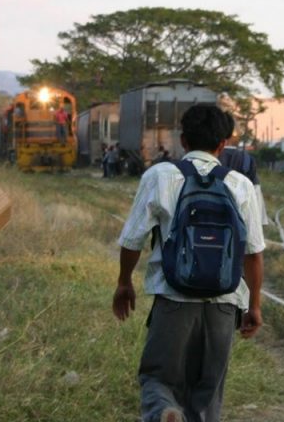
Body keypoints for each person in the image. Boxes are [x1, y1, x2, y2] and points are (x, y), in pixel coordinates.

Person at [113, 105, 265, 422]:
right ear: (223, 144)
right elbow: (253, 253)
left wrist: (124, 282)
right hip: (224, 304)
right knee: (207, 394)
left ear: (183, 140)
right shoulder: (240, 184)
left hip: (173, 299)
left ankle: (165, 412)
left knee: (157, 378)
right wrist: (254, 306)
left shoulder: (159, 176)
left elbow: (132, 240)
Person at [219, 113, 269, 228]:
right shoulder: (246, 159)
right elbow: (255, 191)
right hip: (238, 219)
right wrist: (260, 221)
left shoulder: (209, 156)